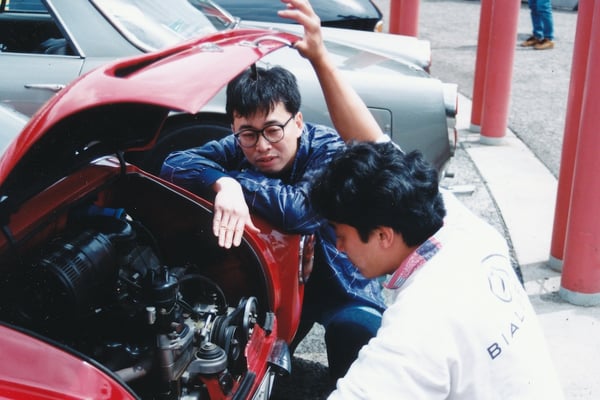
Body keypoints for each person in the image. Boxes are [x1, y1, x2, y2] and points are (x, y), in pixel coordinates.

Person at [159, 0, 386, 382]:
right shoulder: (240, 144)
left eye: (273, 130)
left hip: (341, 283)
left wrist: (235, 181)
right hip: (277, 281)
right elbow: (174, 164)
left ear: (297, 122)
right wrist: (223, 182)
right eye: (248, 133)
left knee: (358, 336)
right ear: (234, 128)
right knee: (254, 364)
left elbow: (299, 210)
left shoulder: (328, 149)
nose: (262, 146)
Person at [309, 141, 564, 399]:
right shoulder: (466, 226)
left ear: (383, 236)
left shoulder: (422, 317)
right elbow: (378, 143)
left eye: (340, 235)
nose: (339, 247)